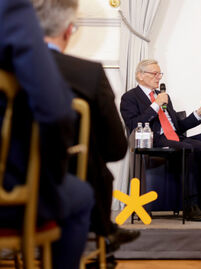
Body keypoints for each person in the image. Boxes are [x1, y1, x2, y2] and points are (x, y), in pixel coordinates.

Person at [32, 0, 141, 261]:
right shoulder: (87, 74)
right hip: (56, 191)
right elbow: (116, 148)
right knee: (86, 179)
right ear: (69, 30)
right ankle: (101, 234)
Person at [0, 0, 94, 268]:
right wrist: (51, 174)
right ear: (68, 29)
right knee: (82, 194)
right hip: (9, 193)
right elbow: (56, 111)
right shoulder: (12, 9)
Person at [120, 59, 201, 222]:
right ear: (140, 75)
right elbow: (134, 125)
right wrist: (155, 105)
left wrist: (198, 113)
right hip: (154, 139)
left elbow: (178, 126)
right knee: (185, 148)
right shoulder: (130, 98)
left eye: (159, 73)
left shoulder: (163, 97)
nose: (158, 77)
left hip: (175, 138)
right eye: (154, 74)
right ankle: (189, 206)